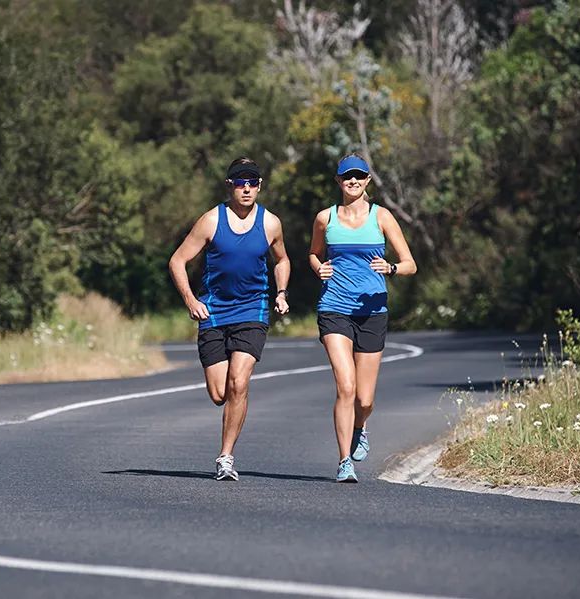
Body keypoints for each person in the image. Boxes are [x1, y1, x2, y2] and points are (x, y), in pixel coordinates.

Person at [169, 157, 291, 481]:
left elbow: (282, 260)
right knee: (219, 393)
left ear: (260, 185)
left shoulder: (270, 224)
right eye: (240, 182)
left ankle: (226, 457)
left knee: (239, 382)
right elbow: (177, 261)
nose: (246, 188)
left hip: (253, 309)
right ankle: (232, 413)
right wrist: (190, 299)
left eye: (252, 181)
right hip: (213, 310)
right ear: (230, 186)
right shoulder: (211, 220)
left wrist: (281, 293)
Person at [308, 154, 416, 482]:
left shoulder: (381, 217)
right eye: (347, 177)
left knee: (365, 399)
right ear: (338, 181)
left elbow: (410, 263)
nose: (353, 182)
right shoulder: (325, 218)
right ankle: (344, 462)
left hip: (373, 313)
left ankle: (360, 424)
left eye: (359, 177)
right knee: (346, 386)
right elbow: (313, 253)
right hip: (334, 309)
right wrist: (318, 267)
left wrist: (392, 268)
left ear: (367, 181)